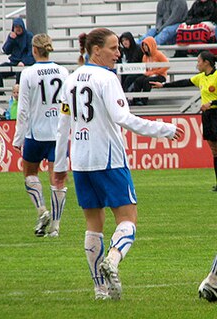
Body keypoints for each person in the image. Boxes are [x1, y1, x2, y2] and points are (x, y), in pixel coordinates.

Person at [53, 28, 184, 301]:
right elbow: (123, 117)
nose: (118, 52)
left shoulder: (72, 78)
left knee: (93, 224)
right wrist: (164, 129)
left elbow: (63, 124)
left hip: (81, 160)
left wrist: (59, 165)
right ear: (96, 50)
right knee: (128, 219)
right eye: (113, 48)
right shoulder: (107, 78)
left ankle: (100, 290)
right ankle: (112, 259)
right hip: (108, 158)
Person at [12, 33, 69, 238]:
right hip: (58, 134)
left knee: (30, 174)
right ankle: (55, 226)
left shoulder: (28, 73)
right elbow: (67, 104)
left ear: (34, 50)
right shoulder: (63, 71)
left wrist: (18, 138)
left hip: (36, 133)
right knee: (58, 181)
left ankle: (42, 210)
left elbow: (23, 109)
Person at [150, 50, 217, 191]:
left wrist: (212, 103)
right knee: (214, 150)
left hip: (215, 113)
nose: (197, 64)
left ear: (206, 62)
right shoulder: (201, 77)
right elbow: (184, 82)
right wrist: (164, 85)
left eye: (198, 61)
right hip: (207, 116)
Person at [0, 17, 35, 95]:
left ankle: (19, 95)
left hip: (25, 64)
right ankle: (0, 94)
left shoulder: (29, 36)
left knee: (20, 72)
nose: (17, 29)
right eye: (16, 27)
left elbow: (31, 53)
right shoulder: (12, 36)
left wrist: (24, 62)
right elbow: (6, 50)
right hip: (13, 63)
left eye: (19, 27)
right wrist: (10, 40)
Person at [132, 36, 169, 106]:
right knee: (138, 81)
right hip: (149, 75)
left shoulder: (159, 54)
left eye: (146, 45)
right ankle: (135, 100)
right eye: (143, 46)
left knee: (147, 81)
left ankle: (144, 101)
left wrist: (155, 72)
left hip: (160, 76)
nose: (145, 47)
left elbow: (167, 65)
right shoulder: (145, 57)